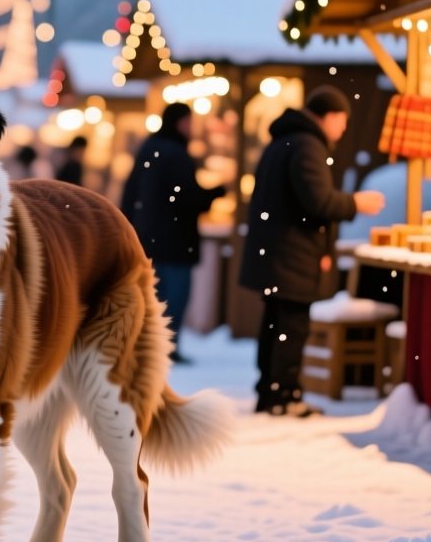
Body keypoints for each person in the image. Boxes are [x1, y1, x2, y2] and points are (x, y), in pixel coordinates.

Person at [239, 86, 384, 417]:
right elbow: (317, 202)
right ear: (330, 116)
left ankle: (271, 392)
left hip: (278, 252)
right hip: (293, 254)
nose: (344, 129)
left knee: (276, 324)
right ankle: (284, 397)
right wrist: (355, 203)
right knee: (291, 325)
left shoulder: (286, 140)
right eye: (343, 120)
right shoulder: (307, 145)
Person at [121, 102, 226, 363]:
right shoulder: (177, 154)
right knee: (174, 299)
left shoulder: (148, 149)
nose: (191, 128)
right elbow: (188, 199)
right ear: (181, 123)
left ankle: (146, 347)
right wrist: (216, 192)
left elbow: (131, 192)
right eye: (189, 122)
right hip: (176, 241)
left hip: (147, 239)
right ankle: (165, 348)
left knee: (152, 298)